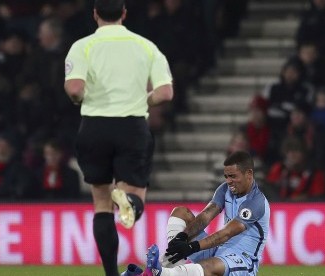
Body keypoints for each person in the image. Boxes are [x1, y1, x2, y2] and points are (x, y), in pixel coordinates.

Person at [64, 1, 173, 275]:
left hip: (94, 127)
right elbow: (165, 93)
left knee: (101, 204)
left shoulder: (82, 46)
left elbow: (75, 89)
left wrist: (81, 97)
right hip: (132, 127)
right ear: (124, 13)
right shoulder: (146, 46)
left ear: (95, 14)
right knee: (134, 198)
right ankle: (130, 203)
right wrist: (145, 98)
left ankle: (111, 274)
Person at [123, 151, 270, 276]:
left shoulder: (255, 202)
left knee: (209, 266)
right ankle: (163, 268)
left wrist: (193, 247)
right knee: (180, 212)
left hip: (243, 261)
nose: (228, 181)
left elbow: (227, 233)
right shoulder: (225, 189)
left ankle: (161, 272)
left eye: (233, 176)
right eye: (226, 176)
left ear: (249, 174)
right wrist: (183, 236)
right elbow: (206, 215)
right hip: (219, 251)